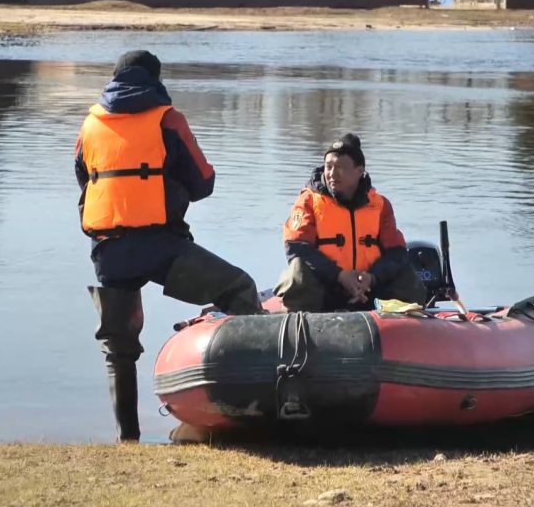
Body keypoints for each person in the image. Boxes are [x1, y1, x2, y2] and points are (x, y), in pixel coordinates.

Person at [75, 50, 263, 441]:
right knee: (239, 289)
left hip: (108, 250)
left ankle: (127, 439)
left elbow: (84, 177)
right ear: (155, 79)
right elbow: (203, 182)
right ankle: (250, 408)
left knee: (119, 347)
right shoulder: (168, 119)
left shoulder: (90, 123)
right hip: (161, 246)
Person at [275, 134, 426, 312]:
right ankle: (304, 331)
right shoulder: (308, 201)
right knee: (297, 272)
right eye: (328, 167)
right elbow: (296, 247)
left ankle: (401, 330)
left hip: (368, 289)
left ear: (359, 171)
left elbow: (397, 253)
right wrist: (339, 276)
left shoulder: (380, 205)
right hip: (325, 289)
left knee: (408, 277)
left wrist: (372, 278)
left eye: (340, 168)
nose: (332, 174)